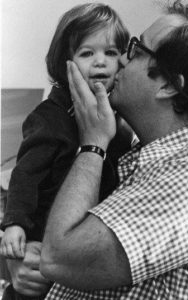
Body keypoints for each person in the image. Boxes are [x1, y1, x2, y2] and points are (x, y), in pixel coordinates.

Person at [6, 1, 188, 299]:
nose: (121, 60)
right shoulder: (153, 156)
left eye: (135, 50)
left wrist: (93, 144)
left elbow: (60, 259)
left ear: (169, 86)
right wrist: (19, 259)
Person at [0, 2, 130, 299]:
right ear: (65, 63)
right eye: (87, 53)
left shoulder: (120, 116)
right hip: (43, 237)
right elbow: (26, 173)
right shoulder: (50, 116)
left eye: (111, 53)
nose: (101, 62)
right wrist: (15, 224)